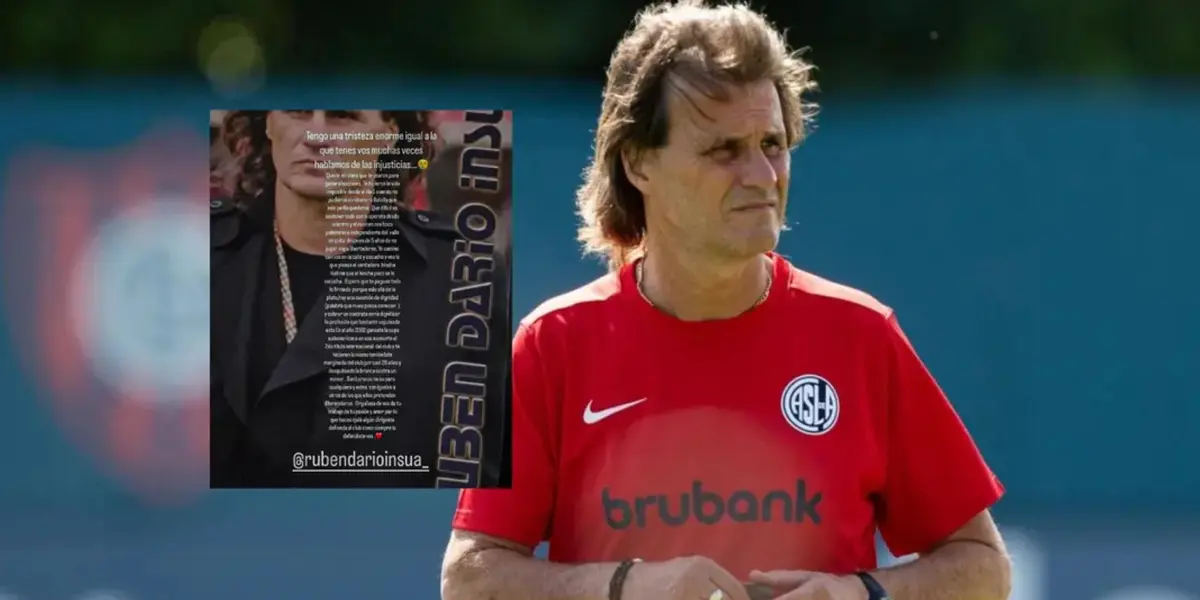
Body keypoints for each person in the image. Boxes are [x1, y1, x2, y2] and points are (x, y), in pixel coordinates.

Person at [442, 2, 1011, 600]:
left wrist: (858, 593)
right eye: (724, 150)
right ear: (638, 162)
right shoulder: (550, 345)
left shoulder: (862, 335)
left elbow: (984, 569)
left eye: (772, 143)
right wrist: (624, 587)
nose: (763, 174)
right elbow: (470, 576)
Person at [210, 110, 511, 489]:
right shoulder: (202, 255)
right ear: (268, 124)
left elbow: (485, 467)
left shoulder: (461, 273)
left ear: (389, 133)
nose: (316, 136)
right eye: (297, 112)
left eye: (342, 117)